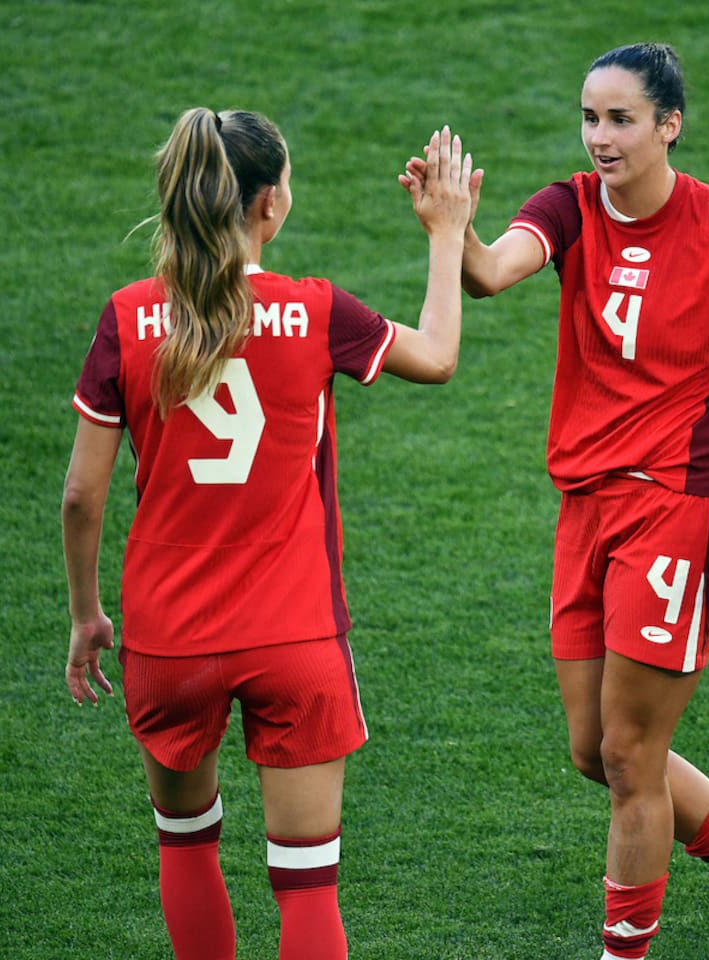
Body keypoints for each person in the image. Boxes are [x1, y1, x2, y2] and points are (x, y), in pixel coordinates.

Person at [446, 41, 709, 960]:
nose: (600, 137)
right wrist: (449, 223)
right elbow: (491, 272)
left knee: (628, 755)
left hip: (680, 505)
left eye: (620, 120)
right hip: (588, 508)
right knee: (596, 750)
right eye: (589, 117)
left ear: (669, 125)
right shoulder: (571, 206)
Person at [62, 108, 473, 959]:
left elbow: (80, 498)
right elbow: (437, 355)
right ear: (270, 205)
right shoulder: (316, 310)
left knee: (186, 844)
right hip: (296, 637)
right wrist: (447, 229)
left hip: (168, 641)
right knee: (307, 880)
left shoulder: (129, 317)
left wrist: (86, 615)